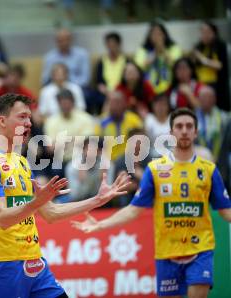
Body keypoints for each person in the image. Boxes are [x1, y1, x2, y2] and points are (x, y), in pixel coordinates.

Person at [0, 93, 131, 297]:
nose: (29, 123)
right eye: (22, 117)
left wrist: (97, 200)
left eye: (29, 118)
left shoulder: (20, 162)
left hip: (35, 262)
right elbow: (2, 218)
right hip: (4, 266)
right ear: (2, 120)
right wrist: (37, 201)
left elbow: (50, 213)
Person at [73, 108, 231, 298]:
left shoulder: (208, 170)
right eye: (179, 126)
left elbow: (225, 211)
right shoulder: (155, 170)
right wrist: (100, 224)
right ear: (171, 133)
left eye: (189, 126)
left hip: (200, 250)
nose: (184, 130)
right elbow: (133, 210)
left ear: (196, 132)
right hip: (166, 253)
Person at [135, 21, 182, 94]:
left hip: (170, 87)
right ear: (149, 36)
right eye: (154, 34)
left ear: (165, 35)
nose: (157, 37)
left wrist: (163, 50)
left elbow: (176, 65)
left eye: (159, 34)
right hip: (149, 88)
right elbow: (140, 67)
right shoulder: (143, 50)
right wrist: (155, 52)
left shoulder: (173, 48)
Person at [193, 21, 229, 111]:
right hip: (201, 86)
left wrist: (203, 60)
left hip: (217, 86)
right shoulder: (198, 47)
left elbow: (220, 65)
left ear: (214, 33)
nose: (204, 35)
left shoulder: (220, 45)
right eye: (202, 32)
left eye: (207, 32)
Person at [195, 85, 229, 161]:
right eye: (204, 97)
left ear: (215, 99)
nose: (207, 100)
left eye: (210, 97)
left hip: (220, 162)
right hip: (198, 162)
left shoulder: (225, 118)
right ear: (198, 99)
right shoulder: (191, 119)